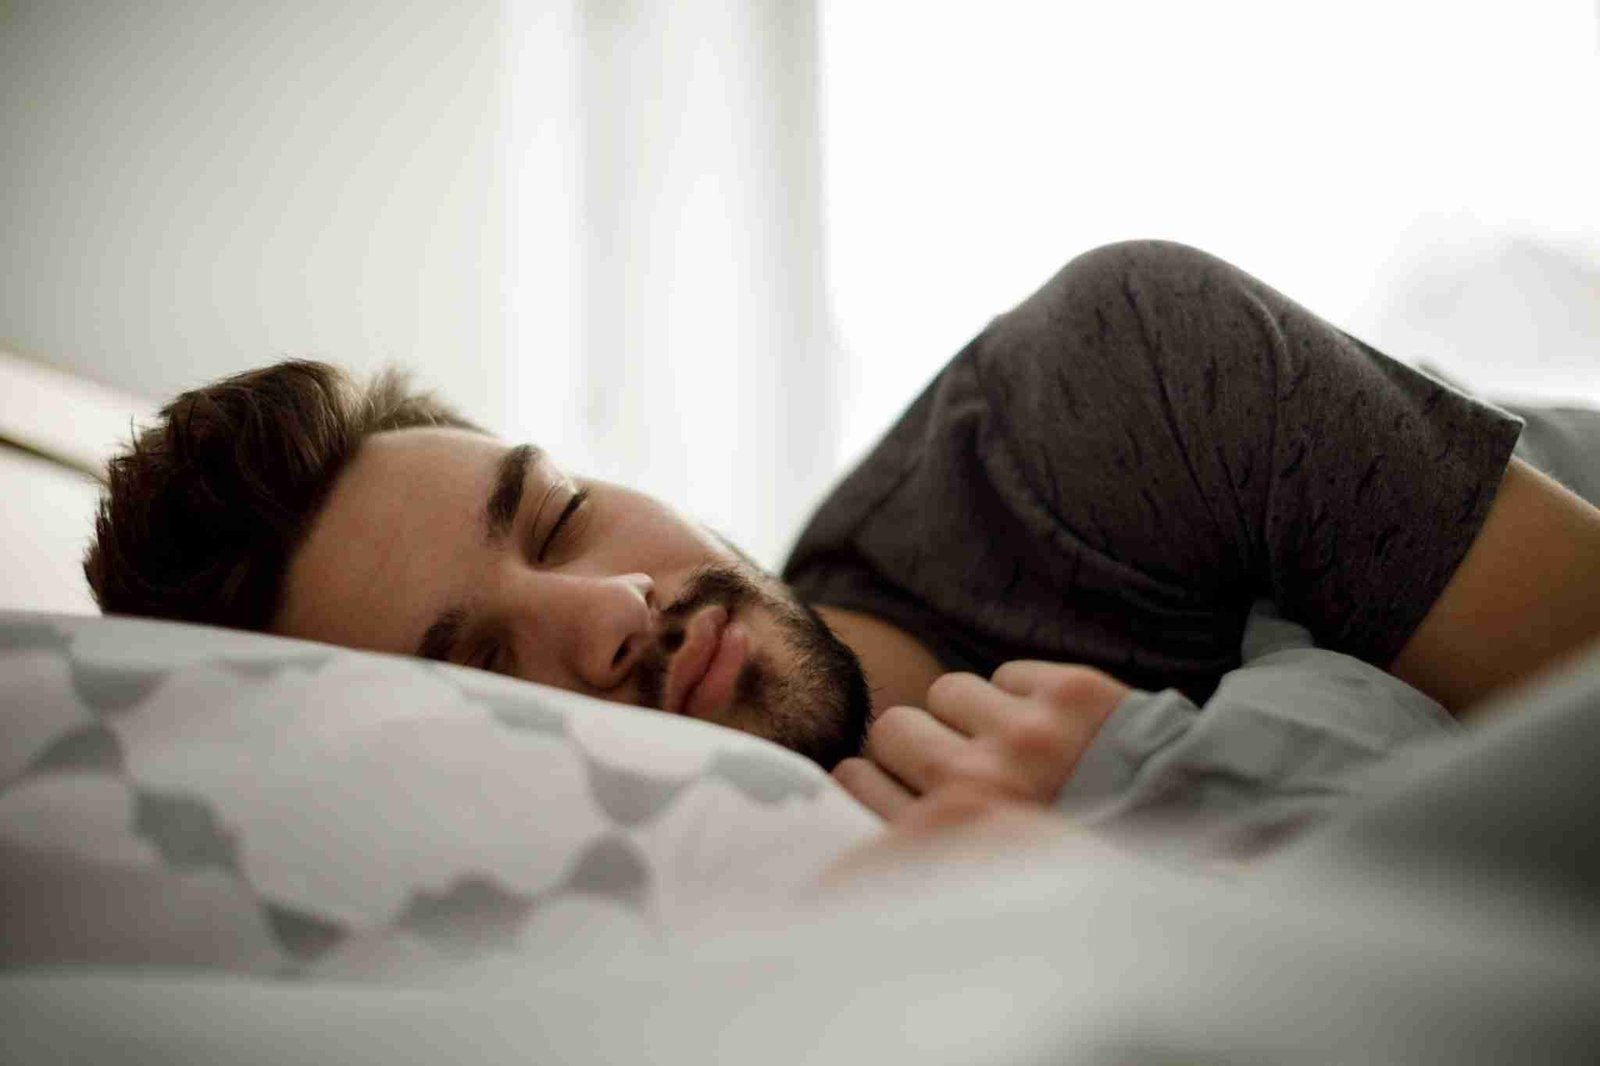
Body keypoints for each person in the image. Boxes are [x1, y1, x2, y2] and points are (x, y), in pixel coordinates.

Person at [83, 241, 1600, 833]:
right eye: (485, 666)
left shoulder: (1109, 386)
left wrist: (1183, 791)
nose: (613, 602)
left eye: (555, 515)